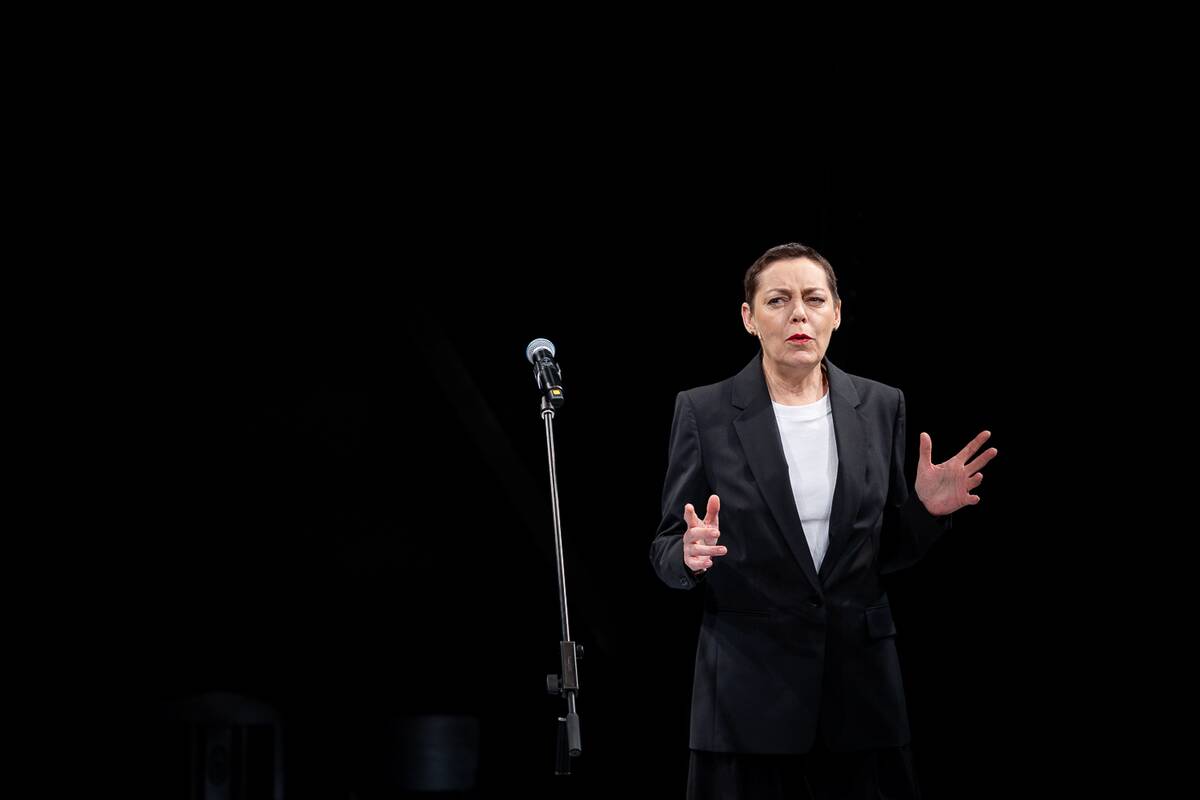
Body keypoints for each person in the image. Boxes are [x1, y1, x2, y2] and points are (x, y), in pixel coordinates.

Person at [649, 243, 998, 799]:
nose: (798, 314)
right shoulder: (703, 411)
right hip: (746, 698)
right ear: (749, 317)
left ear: (836, 312)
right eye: (778, 300)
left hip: (861, 696)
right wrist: (688, 554)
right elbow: (666, 545)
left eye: (814, 299)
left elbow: (882, 553)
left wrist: (926, 514)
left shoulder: (881, 406)